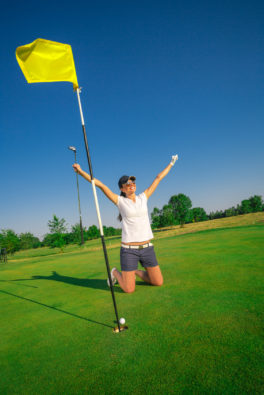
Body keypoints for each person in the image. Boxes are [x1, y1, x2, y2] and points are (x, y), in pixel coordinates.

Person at [73, 154, 178, 293]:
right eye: (127, 184)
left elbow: (158, 178)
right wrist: (80, 172)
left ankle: (133, 272)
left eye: (133, 182)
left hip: (147, 249)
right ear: (122, 189)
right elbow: (100, 185)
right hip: (129, 250)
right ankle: (115, 272)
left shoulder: (143, 197)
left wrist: (171, 163)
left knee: (158, 282)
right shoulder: (120, 201)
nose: (131, 185)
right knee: (129, 289)